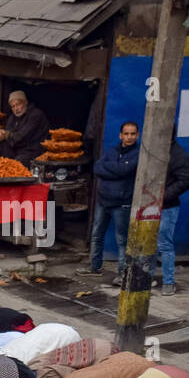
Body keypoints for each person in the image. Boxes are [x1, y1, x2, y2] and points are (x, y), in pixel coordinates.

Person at [76, 120, 139, 282]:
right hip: (103, 201)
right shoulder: (111, 151)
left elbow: (125, 170)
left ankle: (121, 274)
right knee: (96, 235)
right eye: (126, 133)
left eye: (132, 134)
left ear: (137, 135)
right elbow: (97, 168)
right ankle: (94, 267)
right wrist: (117, 169)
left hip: (122, 202)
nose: (129, 137)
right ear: (120, 135)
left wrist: (112, 169)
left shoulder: (138, 154)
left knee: (122, 240)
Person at [155, 137, 189, 296]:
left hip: (167, 207)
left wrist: (163, 196)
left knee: (164, 244)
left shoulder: (178, 154)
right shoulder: (152, 149)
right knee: (147, 243)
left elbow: (186, 180)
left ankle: (168, 282)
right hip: (147, 204)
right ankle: (147, 277)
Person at [0, 89, 49, 166]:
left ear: (25, 102)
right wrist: (0, 135)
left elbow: (22, 136)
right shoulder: (13, 117)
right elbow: (8, 133)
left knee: (18, 163)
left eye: (18, 104)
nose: (16, 108)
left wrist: (6, 135)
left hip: (33, 150)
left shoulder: (36, 115)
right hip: (19, 149)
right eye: (13, 106)